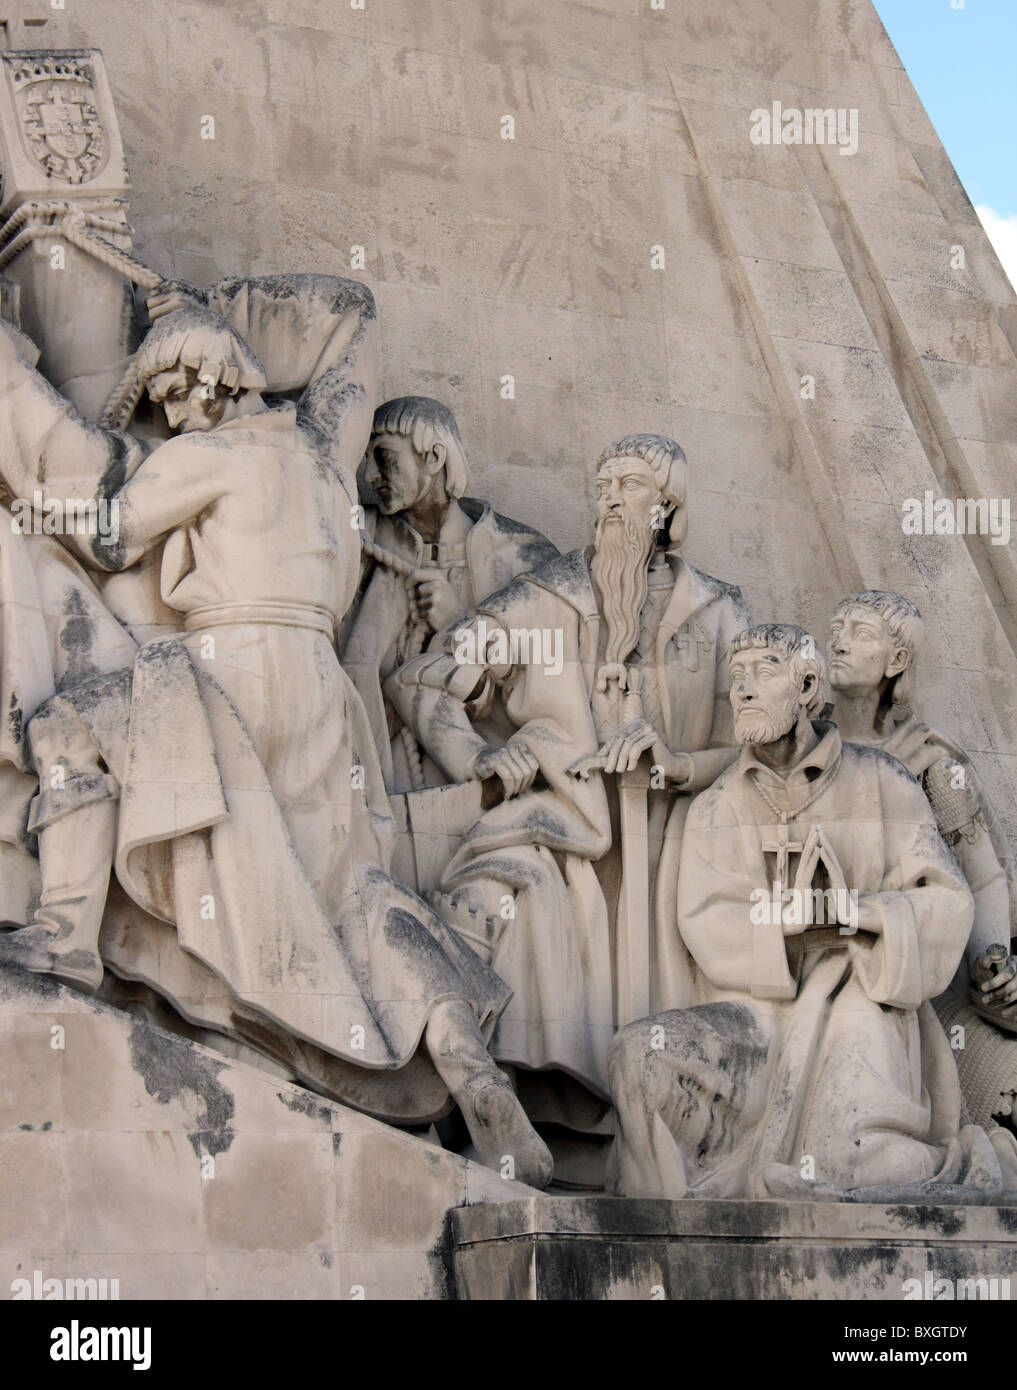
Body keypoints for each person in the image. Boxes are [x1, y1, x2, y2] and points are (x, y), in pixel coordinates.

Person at [0, 308, 551, 1186]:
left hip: (232, 667)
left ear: (224, 385)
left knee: (71, 728)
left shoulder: (208, 456)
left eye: (184, 390)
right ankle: (477, 1079)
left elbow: (106, 534)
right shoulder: (324, 462)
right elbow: (347, 311)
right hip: (324, 696)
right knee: (351, 891)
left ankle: (65, 933)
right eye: (163, 397)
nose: (175, 410)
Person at [387, 435, 749, 1123]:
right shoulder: (546, 598)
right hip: (571, 836)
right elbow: (423, 676)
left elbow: (754, 750)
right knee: (506, 893)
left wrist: (677, 765)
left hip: (673, 858)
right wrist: (477, 758)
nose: (610, 497)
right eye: (603, 483)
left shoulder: (720, 612)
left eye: (631, 485)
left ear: (667, 505)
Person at [608, 624, 1017, 1201]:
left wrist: (864, 914)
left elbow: (949, 900)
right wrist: (786, 928)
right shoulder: (716, 806)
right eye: (737, 675)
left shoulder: (883, 780)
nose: (743, 689)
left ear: (805, 685)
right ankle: (679, 1244)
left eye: (764, 671)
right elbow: (704, 921)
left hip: (860, 1001)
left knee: (843, 1165)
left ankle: (975, 1161)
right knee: (638, 1057)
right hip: (756, 1022)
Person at [340, 395, 559, 794]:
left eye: (383, 456)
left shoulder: (521, 553)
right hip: (379, 775)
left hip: (494, 771)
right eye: (366, 459)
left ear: (434, 457)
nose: (369, 474)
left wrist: (463, 623)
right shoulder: (354, 538)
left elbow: (555, 675)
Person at [827, 590, 1017, 1032]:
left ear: (895, 661)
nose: (838, 643)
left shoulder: (930, 762)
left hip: (905, 964)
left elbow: (983, 877)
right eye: (836, 631)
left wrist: (988, 968)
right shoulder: (805, 746)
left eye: (860, 634)